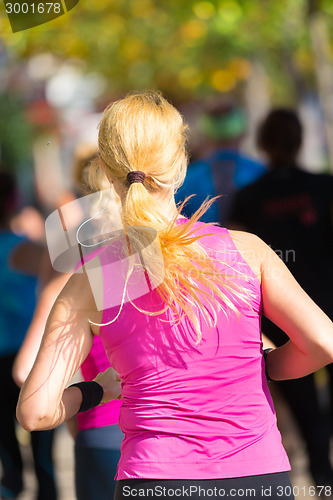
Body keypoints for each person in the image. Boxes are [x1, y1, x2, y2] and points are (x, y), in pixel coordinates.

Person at [16, 92, 333, 500]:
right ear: (181, 166)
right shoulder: (246, 251)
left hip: (152, 482)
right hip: (257, 479)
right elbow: (323, 342)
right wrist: (265, 365)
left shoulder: (95, 277)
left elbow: (36, 412)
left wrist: (98, 389)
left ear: (107, 175)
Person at [13, 143, 123, 500]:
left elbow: (25, 371)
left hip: (102, 434)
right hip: (181, 440)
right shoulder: (170, 265)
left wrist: (88, 394)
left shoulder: (70, 282)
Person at [229, 108, 333, 486]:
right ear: (301, 139)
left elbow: (235, 263)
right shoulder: (324, 186)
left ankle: (322, 478)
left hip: (280, 318)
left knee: (306, 410)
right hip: (329, 306)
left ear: (262, 144)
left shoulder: (248, 197)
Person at [0, 170, 57, 500]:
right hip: (31, 357)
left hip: (3, 359)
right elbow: (61, 277)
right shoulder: (28, 250)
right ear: (13, 202)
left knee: (9, 460)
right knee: (44, 459)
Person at [175, 99, 266, 225]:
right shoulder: (261, 173)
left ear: (206, 134)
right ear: (243, 132)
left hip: (200, 244)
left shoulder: (186, 178)